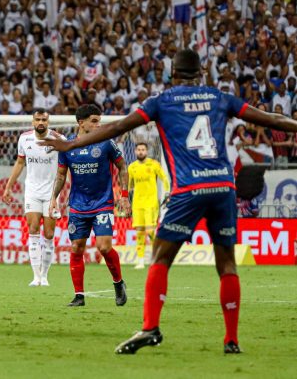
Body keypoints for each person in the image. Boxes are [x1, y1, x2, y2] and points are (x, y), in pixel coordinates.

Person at [43, 50, 297, 355]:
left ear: (173, 74)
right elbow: (271, 119)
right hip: (223, 187)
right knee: (227, 264)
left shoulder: (162, 101)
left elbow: (115, 128)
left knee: (161, 259)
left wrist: (70, 143)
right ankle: (231, 340)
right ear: (202, 72)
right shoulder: (221, 97)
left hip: (188, 190)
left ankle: (150, 328)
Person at [48, 104, 130, 307]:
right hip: (77, 205)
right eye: (94, 121)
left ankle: (118, 283)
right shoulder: (67, 147)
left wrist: (125, 195)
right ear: (80, 123)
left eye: (99, 120)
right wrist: (53, 198)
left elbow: (122, 166)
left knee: (103, 247)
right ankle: (79, 296)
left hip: (103, 203)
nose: (98, 124)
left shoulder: (106, 143)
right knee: (76, 248)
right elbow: (60, 175)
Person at [2, 109, 65, 286]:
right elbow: (20, 162)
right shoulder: (24, 138)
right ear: (32, 122)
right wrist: (8, 186)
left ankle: (45, 276)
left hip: (52, 192)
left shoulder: (59, 140)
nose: (40, 122)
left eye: (44, 119)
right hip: (32, 191)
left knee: (50, 233)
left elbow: (66, 165)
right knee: (33, 229)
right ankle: (36, 276)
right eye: (37, 119)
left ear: (48, 121)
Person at [128, 143, 169, 269]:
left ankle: (157, 258)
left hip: (151, 203)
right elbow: (130, 186)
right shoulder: (132, 167)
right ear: (135, 151)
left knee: (150, 231)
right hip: (137, 204)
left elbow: (164, 178)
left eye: (143, 149)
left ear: (146, 151)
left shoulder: (154, 164)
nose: (141, 152)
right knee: (139, 232)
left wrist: (167, 193)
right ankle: (140, 260)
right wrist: (127, 200)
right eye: (139, 150)